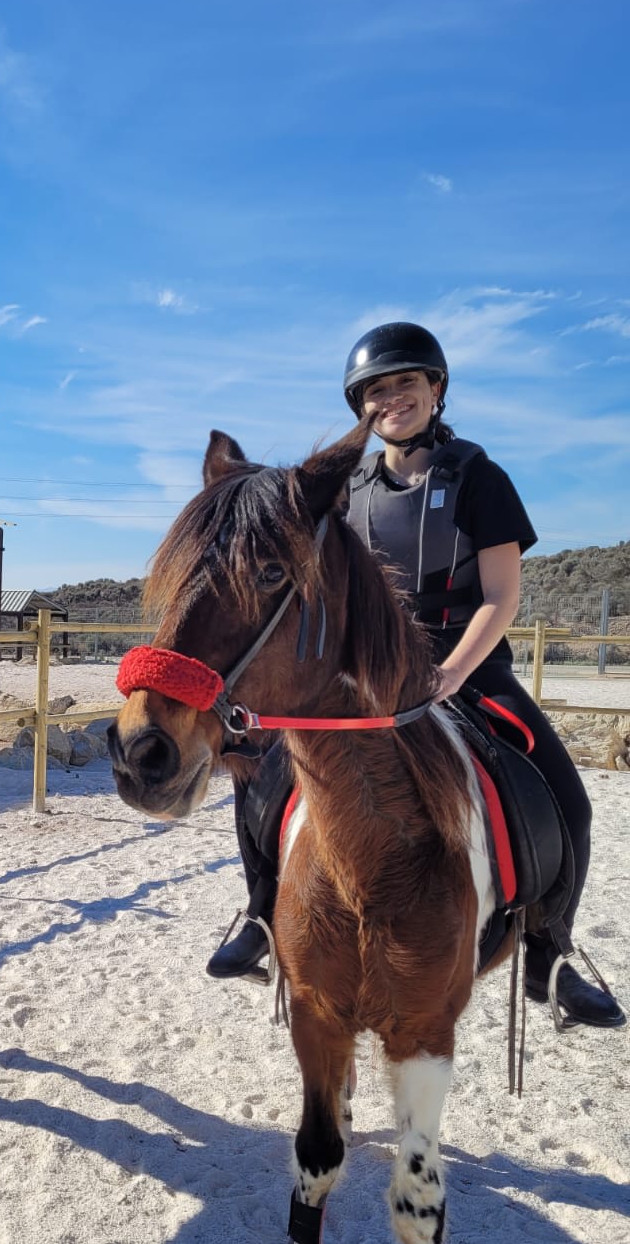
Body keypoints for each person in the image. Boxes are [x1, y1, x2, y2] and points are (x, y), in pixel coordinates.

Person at [207, 320, 625, 1029]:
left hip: (466, 663)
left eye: (406, 382)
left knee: (567, 798)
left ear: (436, 389)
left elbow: (502, 597)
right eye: (375, 390)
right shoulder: (348, 488)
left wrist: (452, 674)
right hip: (364, 670)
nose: (391, 398)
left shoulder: (479, 478)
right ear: (360, 406)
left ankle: (549, 954)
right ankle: (260, 917)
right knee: (261, 772)